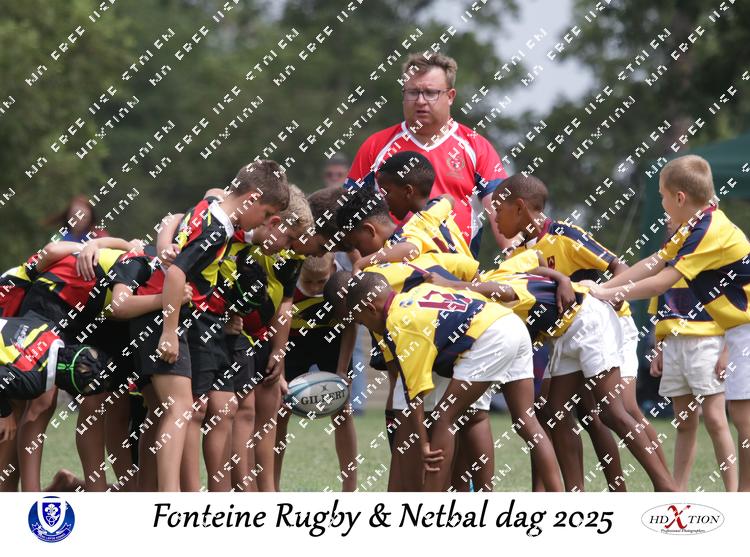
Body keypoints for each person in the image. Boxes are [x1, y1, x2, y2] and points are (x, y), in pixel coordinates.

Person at [494, 173, 670, 490]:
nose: (493, 218)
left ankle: (665, 488)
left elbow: (618, 267)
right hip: (568, 333)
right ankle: (585, 495)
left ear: (519, 208)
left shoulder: (563, 234)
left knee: (619, 409)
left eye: (498, 209)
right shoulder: (517, 255)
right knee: (565, 411)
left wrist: (607, 295)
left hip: (608, 322)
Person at [588, 154, 750, 491]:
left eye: (662, 196)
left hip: (743, 329)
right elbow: (655, 261)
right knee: (740, 416)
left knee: (742, 419)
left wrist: (606, 294)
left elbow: (661, 282)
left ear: (679, 197)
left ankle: (741, 499)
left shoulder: (707, 230)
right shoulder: (697, 224)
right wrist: (605, 287)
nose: (661, 203)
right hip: (738, 330)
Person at [131, 160, 289, 492]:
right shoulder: (216, 230)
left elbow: (211, 194)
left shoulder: (213, 208)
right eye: (265, 214)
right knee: (181, 409)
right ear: (252, 198)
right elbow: (177, 273)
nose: (263, 223)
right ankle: (171, 495)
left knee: (175, 409)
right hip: (166, 315)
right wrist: (170, 332)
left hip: (173, 314)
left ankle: (164, 492)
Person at [345, 272, 562, 492]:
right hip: (511, 322)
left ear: (371, 308)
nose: (366, 327)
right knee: (527, 421)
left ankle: (430, 506)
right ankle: (560, 497)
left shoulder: (399, 323)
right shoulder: (417, 293)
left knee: (444, 417)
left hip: (490, 336)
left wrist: (423, 444)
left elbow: (415, 394)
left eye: (362, 322)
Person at [346, 53, 510, 257]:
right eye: (413, 92)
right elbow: (347, 215)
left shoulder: (476, 146)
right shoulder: (376, 146)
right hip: (388, 270)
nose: (420, 101)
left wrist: (513, 258)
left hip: (456, 271)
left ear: (450, 96)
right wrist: (359, 267)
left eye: (431, 93)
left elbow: (504, 211)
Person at [274, 253, 358, 491]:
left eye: (321, 281)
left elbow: (350, 325)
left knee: (343, 410)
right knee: (279, 412)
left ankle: (350, 488)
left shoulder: (343, 282)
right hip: (292, 341)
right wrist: (280, 373)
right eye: (308, 281)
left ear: (332, 268)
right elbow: (277, 325)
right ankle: (272, 486)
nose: (314, 287)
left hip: (332, 339)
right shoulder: (287, 280)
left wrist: (342, 370)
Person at [648, 276, 737, 491]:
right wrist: (659, 348)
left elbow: (734, 308)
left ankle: (734, 493)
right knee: (684, 422)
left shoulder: (715, 262)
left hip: (708, 343)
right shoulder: (666, 266)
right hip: (672, 345)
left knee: (715, 420)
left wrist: (727, 351)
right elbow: (659, 310)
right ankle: (678, 491)